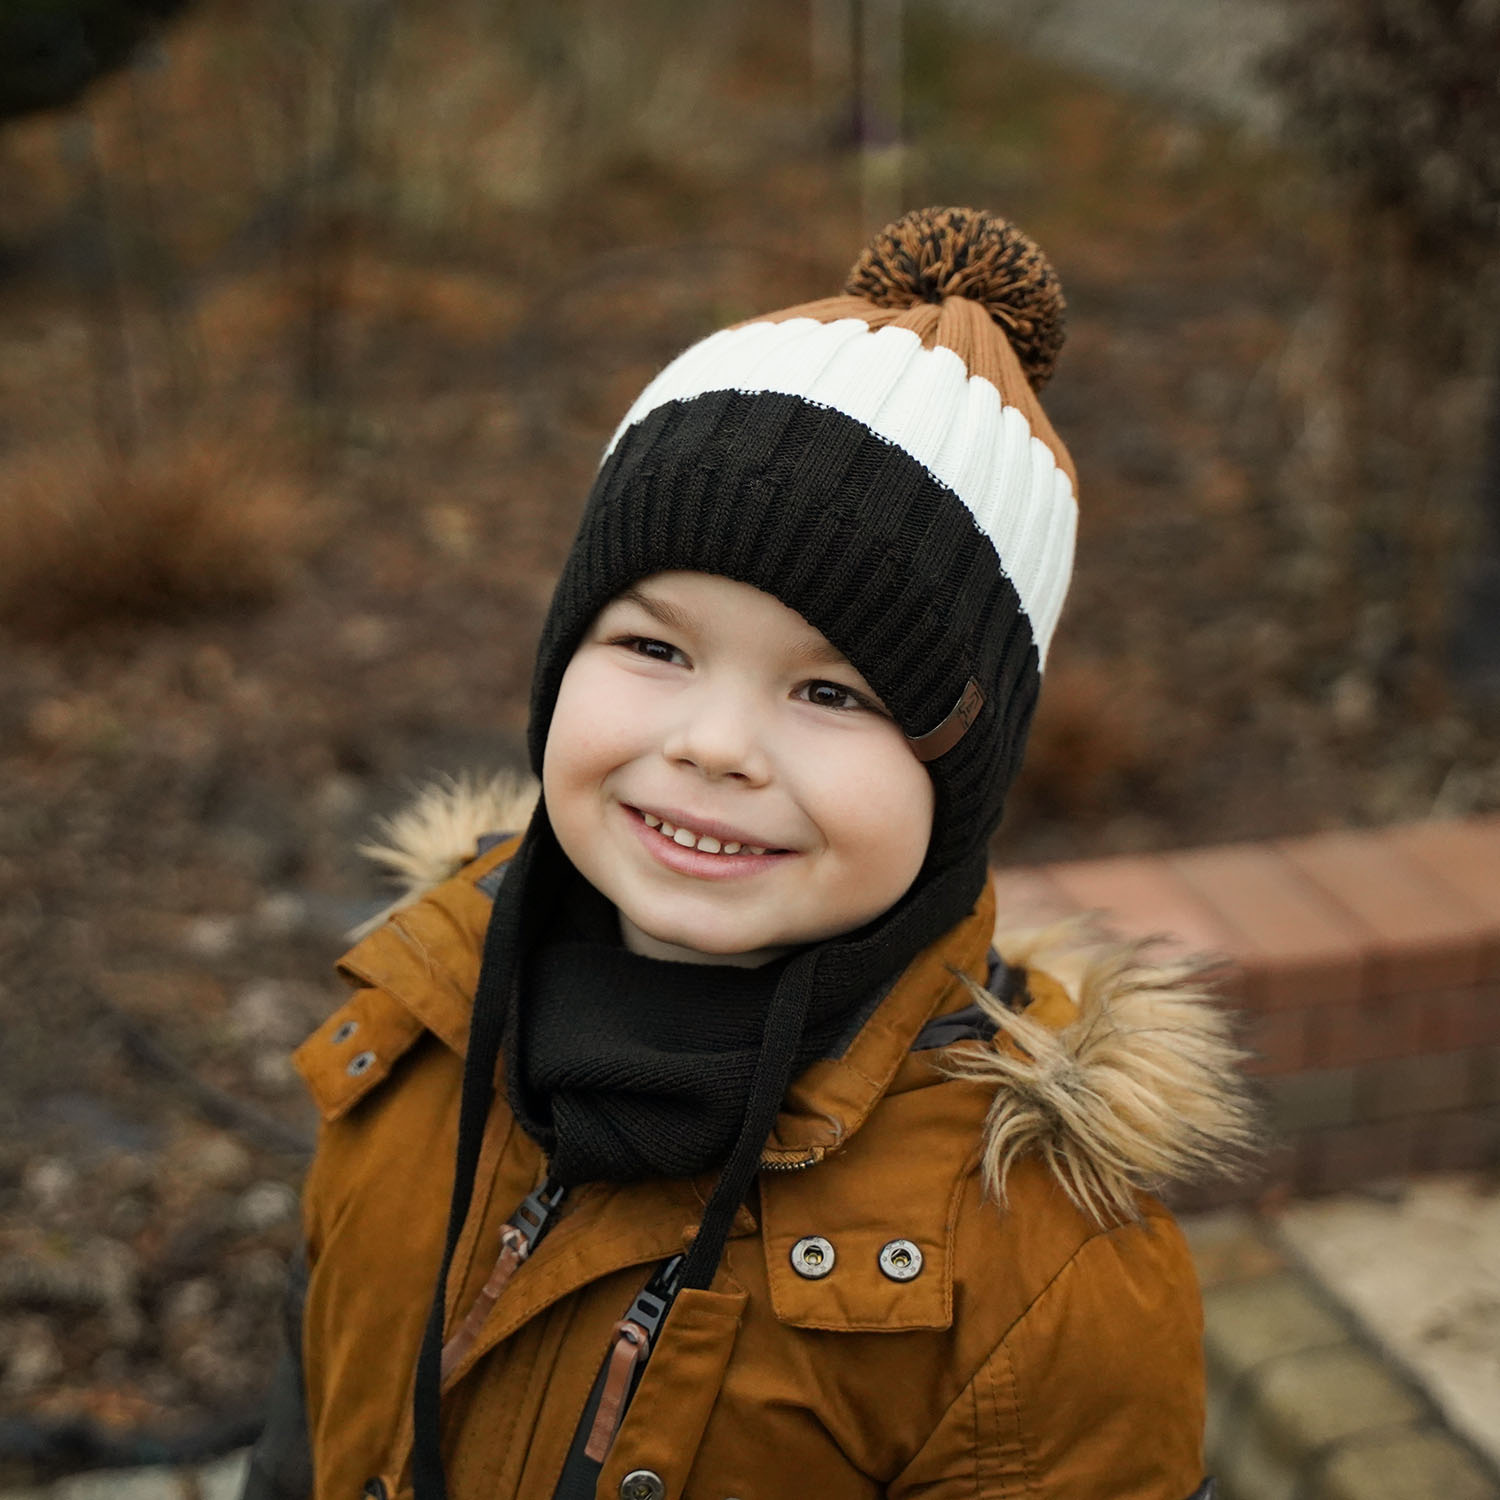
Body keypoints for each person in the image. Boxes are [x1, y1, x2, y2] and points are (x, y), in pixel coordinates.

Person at [243, 206, 1253, 1500]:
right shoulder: (418, 1025)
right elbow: (303, 1432)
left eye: (833, 695)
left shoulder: (1040, 1277)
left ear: (964, 779)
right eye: (656, 649)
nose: (716, 745)